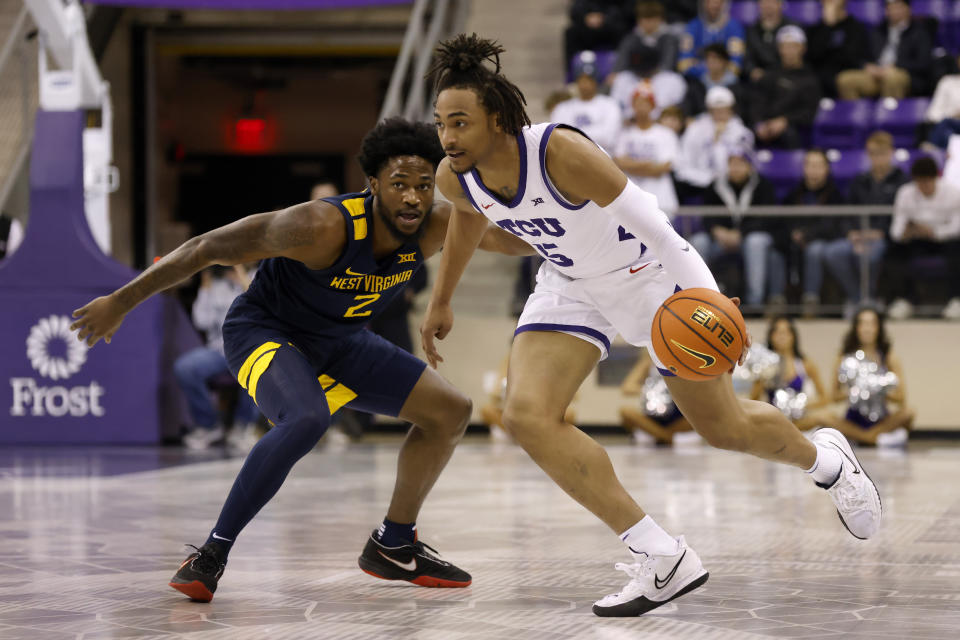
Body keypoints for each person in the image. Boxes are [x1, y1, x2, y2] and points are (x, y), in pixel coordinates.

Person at [424, 33, 881, 617]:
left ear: (494, 118)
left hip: (647, 279)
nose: (447, 137)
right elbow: (466, 218)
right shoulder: (453, 176)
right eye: (440, 124)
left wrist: (713, 304)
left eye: (459, 123)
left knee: (725, 429)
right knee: (526, 415)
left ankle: (828, 463)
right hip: (568, 284)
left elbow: (663, 232)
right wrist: (442, 298)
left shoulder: (559, 153)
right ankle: (661, 556)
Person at [70, 117, 533, 602]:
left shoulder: (438, 224)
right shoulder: (317, 225)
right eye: (399, 185)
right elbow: (206, 248)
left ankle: (394, 544)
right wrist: (120, 301)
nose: (413, 198)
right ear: (372, 185)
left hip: (340, 340)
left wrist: (575, 221)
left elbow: (510, 238)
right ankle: (210, 553)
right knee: (307, 417)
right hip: (265, 330)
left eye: (422, 185)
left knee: (450, 412)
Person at [175, 265, 259, 450]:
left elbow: (263, 310)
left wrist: (242, 278)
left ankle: (243, 426)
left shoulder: (258, 277)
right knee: (185, 367)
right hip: (219, 351)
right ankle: (208, 426)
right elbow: (201, 321)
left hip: (249, 349)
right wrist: (205, 287)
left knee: (261, 366)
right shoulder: (216, 284)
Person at [827, 131, 907, 314]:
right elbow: (848, 212)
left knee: (870, 256)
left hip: (885, 237)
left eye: (881, 153)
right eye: (873, 153)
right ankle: (860, 299)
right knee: (833, 252)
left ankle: (868, 298)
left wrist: (881, 232)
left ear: (890, 153)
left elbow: (902, 215)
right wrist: (852, 233)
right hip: (858, 235)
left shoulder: (901, 181)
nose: (877, 158)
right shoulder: (860, 180)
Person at [697, 148, 783, 309]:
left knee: (755, 242)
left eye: (741, 163)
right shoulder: (715, 186)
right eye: (732, 163)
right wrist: (716, 230)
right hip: (720, 239)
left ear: (750, 166)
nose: (736, 168)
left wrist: (741, 233)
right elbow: (706, 216)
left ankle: (754, 303)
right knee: (698, 241)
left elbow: (767, 218)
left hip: (750, 238)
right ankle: (701, 299)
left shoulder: (763, 185)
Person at [884, 156, 960, 320]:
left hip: (945, 240)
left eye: (927, 182)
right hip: (916, 240)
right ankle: (905, 299)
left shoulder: (953, 193)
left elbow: (956, 226)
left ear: (936, 178)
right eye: (920, 182)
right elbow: (896, 230)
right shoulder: (905, 193)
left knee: (957, 250)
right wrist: (906, 233)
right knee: (893, 251)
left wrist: (934, 232)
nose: (924, 187)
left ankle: (956, 300)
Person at [828, 307, 914, 446]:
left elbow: (901, 398)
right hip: (853, 418)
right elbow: (834, 396)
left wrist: (877, 390)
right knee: (825, 418)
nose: (867, 328)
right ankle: (874, 438)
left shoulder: (889, 357)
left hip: (881, 418)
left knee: (908, 413)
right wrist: (856, 391)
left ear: (878, 327)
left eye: (871, 324)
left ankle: (866, 437)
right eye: (862, 323)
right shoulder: (843, 357)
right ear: (856, 328)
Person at [782, 149, 847, 317]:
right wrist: (793, 234)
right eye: (810, 165)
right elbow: (782, 220)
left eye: (818, 166)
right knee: (776, 250)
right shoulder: (794, 194)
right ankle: (777, 300)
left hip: (822, 241)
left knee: (814, 249)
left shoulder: (835, 195)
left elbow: (835, 226)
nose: (814, 170)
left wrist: (807, 236)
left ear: (827, 169)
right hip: (794, 243)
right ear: (804, 168)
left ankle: (810, 300)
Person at [835, 0, 932, 100]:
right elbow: (861, 55)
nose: (894, 11)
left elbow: (923, 63)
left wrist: (896, 66)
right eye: (890, 7)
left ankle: (890, 115)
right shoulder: (877, 31)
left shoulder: (919, 32)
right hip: (876, 74)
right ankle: (858, 114)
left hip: (902, 74)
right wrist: (866, 66)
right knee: (845, 80)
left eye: (898, 7)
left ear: (908, 9)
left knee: (893, 79)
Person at [750, 316, 831, 431]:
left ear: (793, 336)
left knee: (826, 417)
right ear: (771, 337)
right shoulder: (765, 365)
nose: (782, 336)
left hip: (799, 421)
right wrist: (764, 378)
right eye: (777, 332)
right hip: (775, 421)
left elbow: (824, 398)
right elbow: (753, 399)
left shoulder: (805, 364)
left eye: (786, 332)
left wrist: (801, 406)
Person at [748, 25, 820, 150]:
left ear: (803, 48)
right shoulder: (770, 74)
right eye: (785, 46)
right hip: (765, 126)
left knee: (790, 134)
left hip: (793, 128)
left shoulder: (809, 79)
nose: (789, 51)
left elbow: (809, 113)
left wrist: (785, 121)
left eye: (793, 46)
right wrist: (759, 123)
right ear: (779, 49)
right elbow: (757, 101)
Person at [613, 84, 679, 218]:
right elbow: (618, 163)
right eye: (638, 103)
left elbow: (664, 167)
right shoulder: (624, 134)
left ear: (652, 106)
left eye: (645, 103)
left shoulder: (665, 134)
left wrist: (631, 165)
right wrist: (647, 164)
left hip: (661, 200)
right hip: (630, 201)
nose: (641, 107)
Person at [674, 85, 754, 195]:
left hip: (730, 184)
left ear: (731, 109)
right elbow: (685, 160)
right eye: (716, 111)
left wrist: (718, 141)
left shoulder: (743, 133)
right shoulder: (695, 129)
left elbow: (739, 167)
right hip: (697, 182)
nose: (720, 114)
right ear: (709, 110)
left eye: (724, 110)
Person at [550, 51, 623, 153]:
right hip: (571, 160)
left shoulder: (610, 105)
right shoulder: (562, 108)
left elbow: (609, 138)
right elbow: (558, 139)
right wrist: (596, 133)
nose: (585, 84)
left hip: (602, 160)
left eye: (589, 79)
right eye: (582, 79)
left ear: (596, 81)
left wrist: (573, 134)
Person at [619, 350, 695, 445]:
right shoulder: (648, 362)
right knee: (626, 412)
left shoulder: (686, 361)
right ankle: (666, 437)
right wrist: (654, 390)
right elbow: (628, 387)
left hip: (679, 415)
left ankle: (659, 435)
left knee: (700, 415)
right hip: (652, 415)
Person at [806, 0, 873, 97]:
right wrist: (827, 26)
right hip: (819, 78)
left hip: (845, 74)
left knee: (845, 81)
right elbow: (813, 56)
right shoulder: (816, 28)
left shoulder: (855, 27)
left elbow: (851, 57)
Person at [677, 0, 746, 80]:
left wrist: (698, 65)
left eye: (718, 2)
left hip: (725, 81)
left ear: (724, 4)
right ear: (703, 4)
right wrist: (715, 68)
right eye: (709, 2)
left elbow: (735, 66)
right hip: (697, 80)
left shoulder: (734, 27)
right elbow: (683, 64)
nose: (714, 5)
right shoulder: (692, 26)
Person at [612, 1, 679, 79]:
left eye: (651, 18)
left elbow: (667, 64)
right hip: (636, 78)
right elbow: (621, 63)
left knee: (672, 78)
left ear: (660, 19)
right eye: (645, 18)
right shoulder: (631, 39)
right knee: (622, 77)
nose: (648, 23)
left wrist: (650, 76)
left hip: (659, 78)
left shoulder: (669, 38)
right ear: (638, 20)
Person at [564, 0, 633, 68]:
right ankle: (573, 71)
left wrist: (604, 18)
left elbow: (624, 11)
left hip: (610, 26)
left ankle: (620, 68)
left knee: (622, 30)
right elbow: (575, 11)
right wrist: (586, 17)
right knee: (571, 32)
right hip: (586, 28)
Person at [682, 43, 743, 117]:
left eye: (715, 58)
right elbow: (688, 109)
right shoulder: (697, 85)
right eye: (708, 58)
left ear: (725, 61)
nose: (710, 61)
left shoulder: (737, 85)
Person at [743, 0, 796, 82]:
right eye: (764, 2)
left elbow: (795, 56)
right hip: (758, 79)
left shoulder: (791, 28)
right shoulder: (751, 29)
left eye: (772, 2)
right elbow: (747, 55)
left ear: (780, 4)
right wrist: (752, 70)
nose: (768, 6)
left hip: (785, 75)